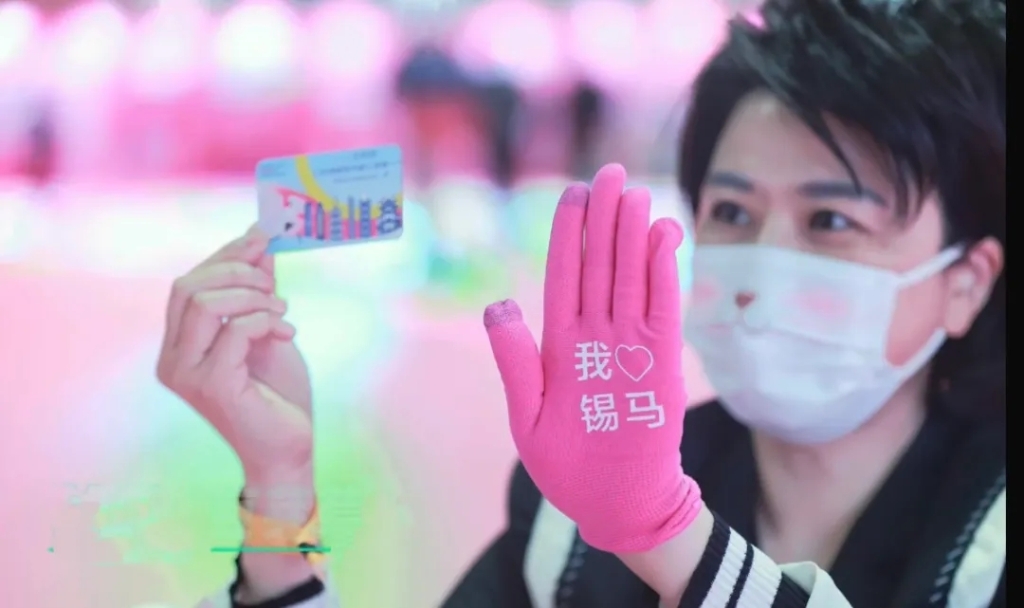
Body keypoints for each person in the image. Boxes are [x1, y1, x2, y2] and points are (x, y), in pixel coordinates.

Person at [159, 0, 1005, 606]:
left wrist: (665, 535)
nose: (761, 264)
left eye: (831, 221)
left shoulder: (991, 533)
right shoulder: (573, 511)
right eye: (732, 212)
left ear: (966, 281)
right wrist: (279, 488)